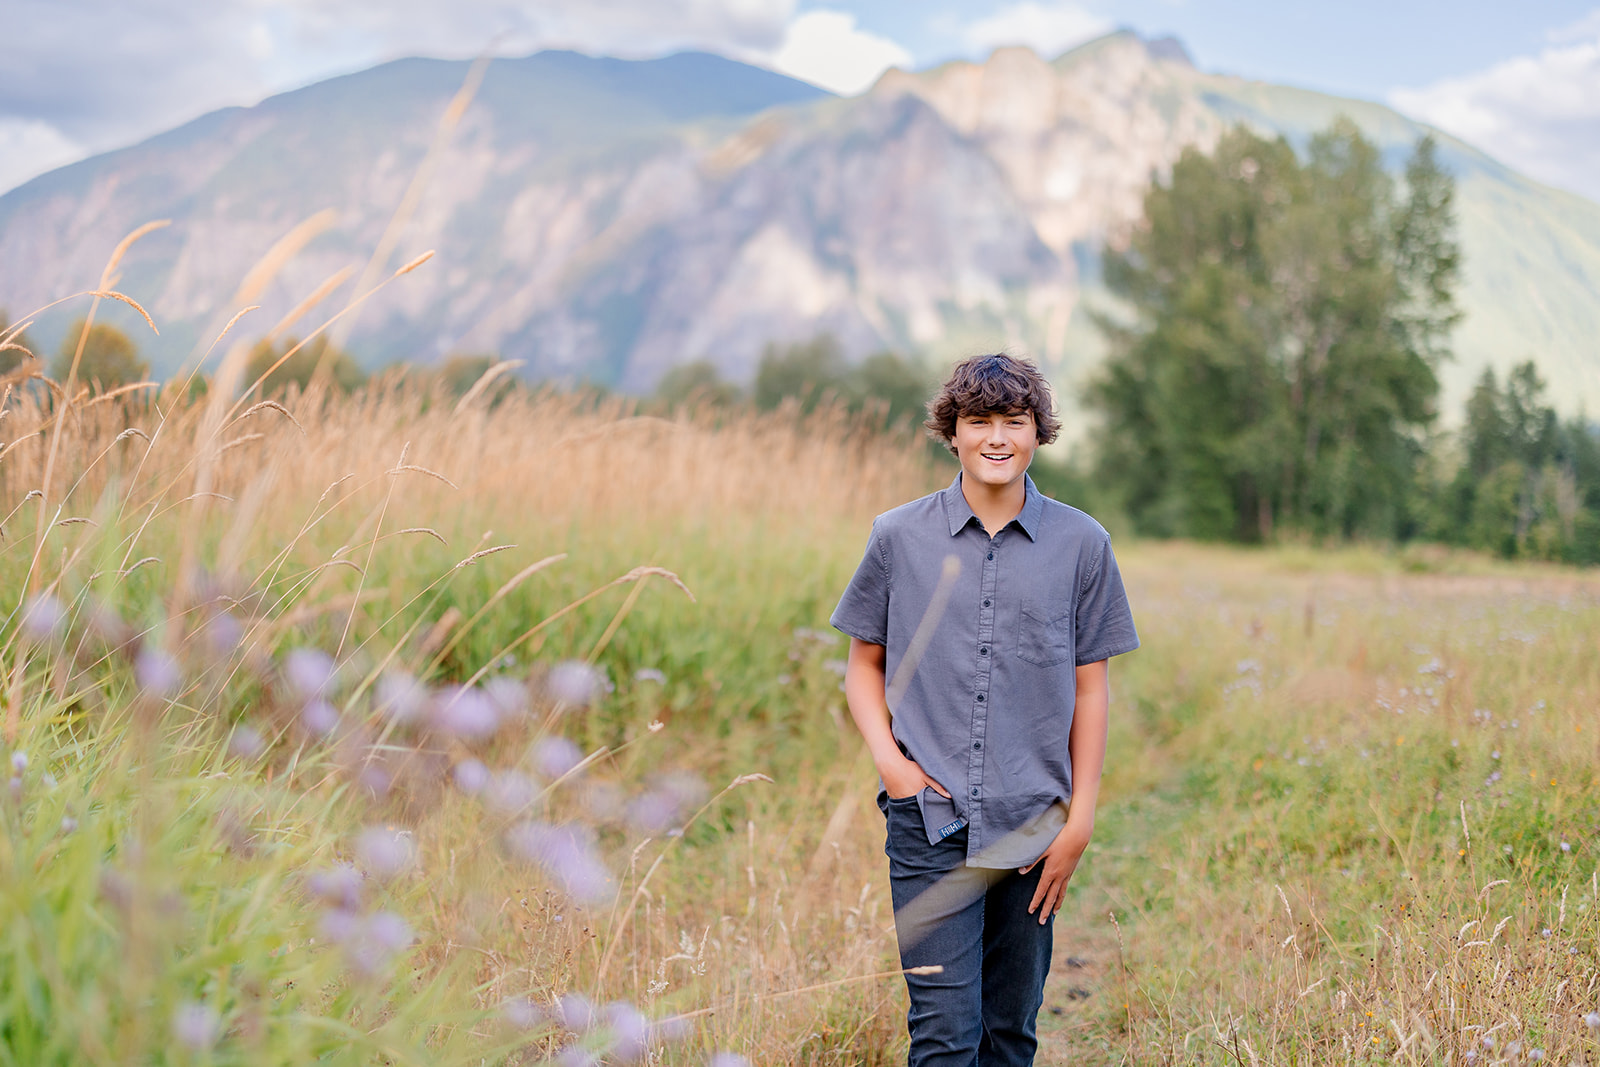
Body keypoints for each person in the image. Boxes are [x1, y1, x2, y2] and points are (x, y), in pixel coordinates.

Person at [830, 353, 1139, 1066]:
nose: (996, 437)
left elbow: (1091, 689)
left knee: (1008, 1032)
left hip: (1035, 824)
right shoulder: (898, 535)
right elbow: (863, 667)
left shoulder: (1083, 544)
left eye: (1013, 421)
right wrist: (893, 766)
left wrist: (1081, 817)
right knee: (943, 1036)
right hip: (927, 821)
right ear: (953, 433)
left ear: (1038, 433)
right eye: (979, 422)